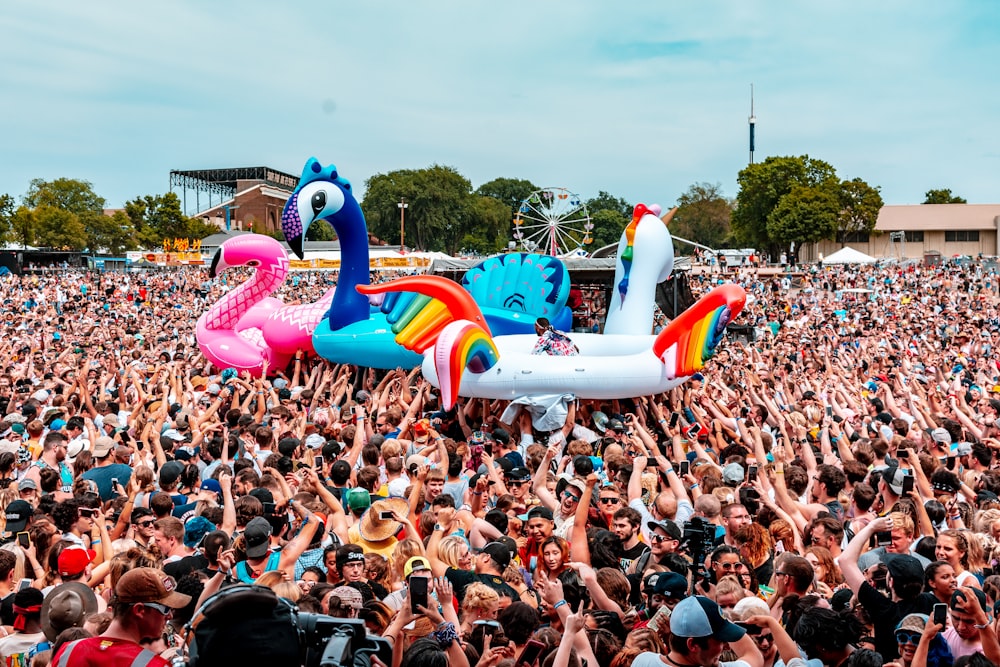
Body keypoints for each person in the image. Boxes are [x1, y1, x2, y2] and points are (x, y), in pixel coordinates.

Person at [50, 567, 191, 666]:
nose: (169, 615)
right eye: (165, 609)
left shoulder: (67, 651)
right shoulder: (154, 664)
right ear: (139, 610)